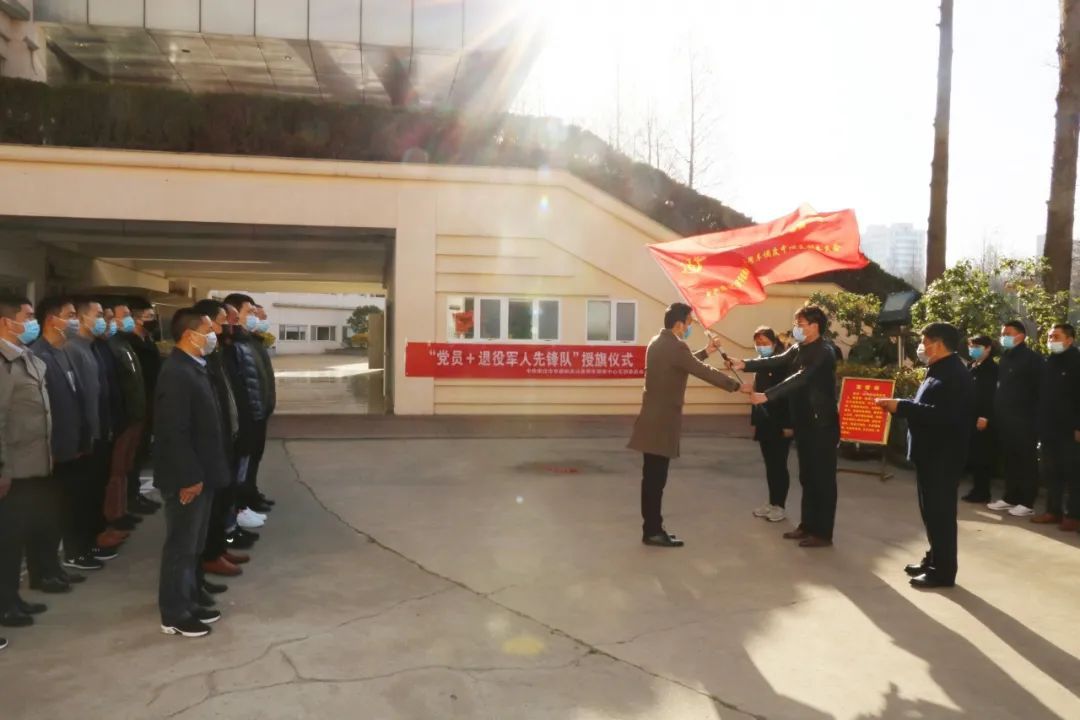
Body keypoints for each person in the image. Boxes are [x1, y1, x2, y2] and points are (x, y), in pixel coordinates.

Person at [627, 302, 740, 547]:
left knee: (652, 479)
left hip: (652, 419)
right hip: (662, 422)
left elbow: (681, 364)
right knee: (656, 481)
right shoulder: (676, 346)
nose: (690, 327)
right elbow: (700, 370)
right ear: (679, 324)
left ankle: (652, 528)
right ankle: (653, 531)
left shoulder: (657, 342)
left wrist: (706, 351)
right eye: (689, 323)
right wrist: (736, 386)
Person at [731, 305, 840, 548]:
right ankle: (807, 525)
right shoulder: (799, 347)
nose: (796, 329)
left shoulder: (824, 351)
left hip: (821, 424)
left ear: (815, 326)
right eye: (796, 324)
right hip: (804, 421)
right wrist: (744, 364)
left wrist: (767, 395)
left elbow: (801, 377)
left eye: (800, 325)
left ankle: (823, 533)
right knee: (807, 476)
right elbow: (776, 360)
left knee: (821, 479)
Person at [877, 322, 975, 589]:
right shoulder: (939, 369)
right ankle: (933, 559)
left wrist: (902, 407)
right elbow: (929, 405)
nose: (921, 347)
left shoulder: (954, 374)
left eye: (924, 342)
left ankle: (943, 572)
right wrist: (903, 404)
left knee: (940, 515)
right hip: (930, 455)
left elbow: (944, 415)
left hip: (943, 456)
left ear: (938, 344)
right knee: (931, 513)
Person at [155, 308, 228, 638]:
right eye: (208, 330)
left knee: (194, 545)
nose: (214, 336)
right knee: (180, 547)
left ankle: (190, 600)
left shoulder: (196, 367)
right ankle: (174, 613)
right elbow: (174, 431)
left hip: (204, 472)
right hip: (188, 477)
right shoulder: (176, 373)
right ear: (189, 335)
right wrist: (189, 477)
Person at [29, 297, 93, 588]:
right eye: (70, 315)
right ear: (52, 320)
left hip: (70, 447)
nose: (74, 321)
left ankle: (54, 567)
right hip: (50, 450)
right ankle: (42, 573)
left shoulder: (63, 352)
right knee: (44, 514)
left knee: (60, 511)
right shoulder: (37, 355)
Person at [0, 295, 52, 631]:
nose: (33, 323)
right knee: (5, 541)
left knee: (15, 538)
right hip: (11, 469)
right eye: (27, 316)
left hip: (30, 464)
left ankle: (12, 598)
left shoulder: (24, 356)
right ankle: (5, 606)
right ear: (6, 322)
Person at [192, 299, 248, 584]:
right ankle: (210, 555)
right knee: (211, 507)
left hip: (227, 437)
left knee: (223, 499)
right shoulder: (196, 363)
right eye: (220, 321)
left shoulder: (217, 354)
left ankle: (218, 549)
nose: (225, 326)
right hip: (214, 443)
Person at [65, 297, 123, 564]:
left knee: (95, 492)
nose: (103, 320)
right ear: (81, 318)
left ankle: (92, 540)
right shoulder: (72, 349)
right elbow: (77, 398)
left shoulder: (94, 347)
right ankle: (78, 549)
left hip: (101, 431)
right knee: (81, 496)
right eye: (98, 315)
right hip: (86, 437)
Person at [988, 320, 1043, 517]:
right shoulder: (1005, 358)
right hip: (1005, 418)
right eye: (1003, 333)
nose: (1003, 337)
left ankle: (1027, 502)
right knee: (1010, 459)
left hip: (1025, 420)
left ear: (1021, 336)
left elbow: (1039, 391)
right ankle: (1010, 497)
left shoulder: (1032, 359)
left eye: (1008, 333)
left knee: (1026, 460)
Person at [104, 300, 147, 534]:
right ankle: (114, 515)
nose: (130, 319)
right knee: (116, 470)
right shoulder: (109, 346)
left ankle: (123, 508)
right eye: (124, 315)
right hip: (123, 418)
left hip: (135, 415)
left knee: (126, 467)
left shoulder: (124, 343)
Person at [1031, 323, 1080, 531]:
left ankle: (1074, 515)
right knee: (1051, 472)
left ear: (1069, 339)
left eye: (1056, 337)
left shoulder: (1076, 362)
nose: (1051, 340)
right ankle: (1053, 511)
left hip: (1070, 429)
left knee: (1073, 473)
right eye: (1050, 336)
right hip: (1048, 427)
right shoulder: (1049, 361)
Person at [748, 326, 794, 523]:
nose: (761, 346)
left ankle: (779, 506)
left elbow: (789, 395)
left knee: (779, 465)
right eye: (758, 343)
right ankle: (771, 502)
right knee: (770, 465)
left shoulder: (783, 364)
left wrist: (789, 424)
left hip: (780, 422)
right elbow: (757, 391)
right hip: (764, 421)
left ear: (774, 343)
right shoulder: (760, 363)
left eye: (765, 343)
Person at [126, 298, 162, 516]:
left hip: (149, 403)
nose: (152, 321)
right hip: (137, 405)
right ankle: (129, 498)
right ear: (135, 319)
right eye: (148, 317)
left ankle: (136, 494)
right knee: (131, 456)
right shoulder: (130, 344)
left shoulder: (148, 340)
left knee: (140, 453)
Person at [962, 336, 998, 504]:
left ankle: (982, 491)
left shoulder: (992, 368)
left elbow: (991, 395)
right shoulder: (972, 365)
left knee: (981, 456)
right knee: (973, 454)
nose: (973, 349)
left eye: (977, 346)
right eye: (971, 346)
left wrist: (985, 416)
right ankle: (976, 489)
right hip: (969, 415)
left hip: (982, 417)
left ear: (988, 348)